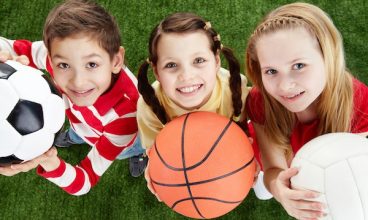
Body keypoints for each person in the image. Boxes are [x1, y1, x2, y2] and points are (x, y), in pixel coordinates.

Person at [0, 0, 148, 195]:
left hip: (124, 138)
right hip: (80, 122)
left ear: (116, 60)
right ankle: (75, 135)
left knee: (131, 147)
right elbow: (8, 45)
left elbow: (84, 181)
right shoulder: (53, 58)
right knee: (79, 130)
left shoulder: (125, 117)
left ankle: (138, 154)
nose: (78, 82)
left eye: (92, 64)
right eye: (64, 66)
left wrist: (49, 161)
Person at [245, 2, 368, 219]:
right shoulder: (260, 99)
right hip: (279, 157)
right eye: (271, 71)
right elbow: (274, 166)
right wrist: (279, 190)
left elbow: (357, 168)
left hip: (321, 167)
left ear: (328, 57)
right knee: (266, 189)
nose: (284, 86)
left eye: (299, 66)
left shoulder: (361, 104)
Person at [136, 12, 272, 200]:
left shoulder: (233, 89)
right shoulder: (149, 106)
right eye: (171, 65)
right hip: (181, 151)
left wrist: (247, 155)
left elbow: (241, 128)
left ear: (216, 61)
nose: (186, 76)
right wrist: (156, 162)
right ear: (156, 72)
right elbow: (154, 146)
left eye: (198, 61)